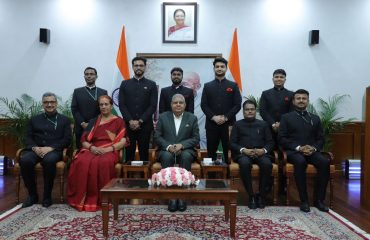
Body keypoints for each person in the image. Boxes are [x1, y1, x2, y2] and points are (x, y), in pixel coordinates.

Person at [67, 95, 127, 212]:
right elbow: (83, 140)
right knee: (81, 161)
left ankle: (103, 199)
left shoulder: (119, 121)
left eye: (106, 104)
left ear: (111, 105)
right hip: (93, 148)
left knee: (103, 162)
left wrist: (109, 149)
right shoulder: (94, 121)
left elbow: (123, 140)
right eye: (101, 105)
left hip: (110, 150)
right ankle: (81, 199)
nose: (103, 107)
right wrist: (92, 148)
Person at [278, 89, 330, 212]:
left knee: (324, 162)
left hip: (312, 151)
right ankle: (304, 200)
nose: (301, 101)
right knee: (300, 161)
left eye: (304, 98)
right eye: (298, 98)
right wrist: (299, 148)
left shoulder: (315, 118)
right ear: (293, 101)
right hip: (294, 152)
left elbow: (321, 139)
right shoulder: (286, 118)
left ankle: (319, 200)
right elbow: (282, 139)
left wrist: (313, 148)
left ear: (308, 101)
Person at [20, 92, 72, 208]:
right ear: (42, 104)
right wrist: (34, 147)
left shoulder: (64, 120)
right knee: (25, 160)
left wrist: (51, 147)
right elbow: (28, 137)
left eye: (52, 102)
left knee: (49, 161)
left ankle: (47, 196)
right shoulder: (34, 119)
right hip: (36, 149)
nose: (49, 104)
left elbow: (67, 140)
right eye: (46, 102)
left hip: (54, 150)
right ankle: (32, 195)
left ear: (56, 104)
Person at [154, 94, 200, 212]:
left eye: (181, 102)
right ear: (171, 105)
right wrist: (168, 146)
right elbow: (157, 137)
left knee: (185, 156)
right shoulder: (163, 117)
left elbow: (196, 138)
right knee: (167, 156)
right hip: (166, 150)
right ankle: (171, 197)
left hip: (186, 150)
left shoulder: (192, 118)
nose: (178, 104)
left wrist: (182, 145)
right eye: (175, 102)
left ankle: (183, 197)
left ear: (185, 105)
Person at [230, 100, 274, 209]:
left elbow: (271, 142)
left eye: (252, 109)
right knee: (244, 164)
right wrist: (243, 150)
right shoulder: (238, 124)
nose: (250, 111)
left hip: (261, 153)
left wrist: (263, 150)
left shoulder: (263, 124)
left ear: (255, 111)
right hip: (244, 154)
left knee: (267, 164)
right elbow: (232, 143)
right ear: (243, 111)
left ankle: (261, 196)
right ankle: (251, 196)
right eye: (247, 110)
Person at [201, 57, 242, 162]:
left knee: (228, 151)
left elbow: (237, 104)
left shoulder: (233, 85)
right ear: (214, 69)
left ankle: (229, 175)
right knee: (211, 152)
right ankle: (210, 177)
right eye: (217, 66)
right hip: (211, 124)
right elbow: (204, 105)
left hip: (228, 125)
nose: (219, 68)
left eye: (222, 66)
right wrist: (214, 117)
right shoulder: (207, 86)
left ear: (226, 68)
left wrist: (226, 117)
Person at [118, 57, 158, 162]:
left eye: (141, 65)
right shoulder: (124, 84)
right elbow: (122, 105)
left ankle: (144, 178)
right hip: (128, 125)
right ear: (132, 67)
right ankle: (128, 178)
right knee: (129, 153)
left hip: (145, 125)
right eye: (136, 65)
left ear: (145, 67)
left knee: (144, 153)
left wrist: (140, 121)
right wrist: (130, 121)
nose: (138, 68)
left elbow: (153, 106)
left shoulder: (152, 85)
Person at [71, 67, 108, 149]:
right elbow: (74, 109)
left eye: (91, 74)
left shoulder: (103, 92)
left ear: (96, 76)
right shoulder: (77, 91)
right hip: (81, 128)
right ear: (84, 77)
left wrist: (92, 124)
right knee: (81, 153)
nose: (89, 76)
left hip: (98, 127)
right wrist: (82, 123)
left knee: (97, 153)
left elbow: (104, 111)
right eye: (86, 74)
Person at [259, 69, 294, 140]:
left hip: (285, 128)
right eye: (276, 77)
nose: (279, 79)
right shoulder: (265, 93)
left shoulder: (291, 94)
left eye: (281, 77)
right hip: (269, 127)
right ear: (273, 79)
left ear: (285, 79)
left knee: (284, 149)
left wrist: (281, 124)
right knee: (269, 149)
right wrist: (272, 124)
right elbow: (263, 111)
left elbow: (291, 112)